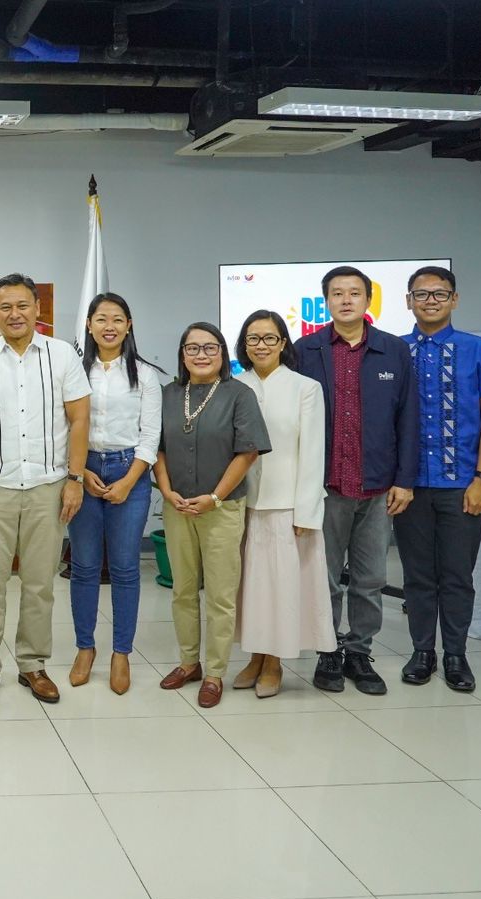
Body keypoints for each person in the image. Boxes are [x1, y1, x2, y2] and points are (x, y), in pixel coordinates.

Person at [0, 273, 90, 705]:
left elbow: (79, 420)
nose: (15, 314)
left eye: (23, 306)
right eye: (5, 307)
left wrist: (75, 479)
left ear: (37, 310)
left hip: (49, 488)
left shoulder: (63, 356)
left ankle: (33, 664)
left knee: (39, 583)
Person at [293, 266, 419, 696]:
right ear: (325, 301)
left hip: (377, 485)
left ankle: (359, 652)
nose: (346, 300)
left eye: (355, 293)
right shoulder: (306, 349)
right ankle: (327, 652)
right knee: (324, 576)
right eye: (336, 294)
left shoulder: (394, 350)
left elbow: (408, 418)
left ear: (368, 300)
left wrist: (404, 480)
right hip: (324, 485)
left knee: (369, 579)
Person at [394, 267, 481, 691]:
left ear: (454, 300)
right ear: (408, 300)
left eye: (439, 294)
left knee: (458, 575)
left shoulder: (479, 350)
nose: (430, 301)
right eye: (421, 294)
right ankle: (422, 652)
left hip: (463, 484)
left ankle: (456, 655)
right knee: (417, 575)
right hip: (407, 486)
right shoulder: (393, 350)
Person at [154, 322, 270, 708]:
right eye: (192, 348)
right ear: (182, 354)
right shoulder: (169, 394)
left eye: (210, 347)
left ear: (222, 353)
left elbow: (248, 451)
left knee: (220, 594)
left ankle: (216, 672)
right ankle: (189, 663)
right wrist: (167, 491)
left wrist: (215, 498)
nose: (201, 354)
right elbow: (157, 449)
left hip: (221, 508)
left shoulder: (239, 394)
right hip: (177, 507)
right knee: (183, 590)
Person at [230, 311, 333, 699]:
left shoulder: (305, 388)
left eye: (269, 338)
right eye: (253, 338)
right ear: (244, 345)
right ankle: (255, 656)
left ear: (283, 344)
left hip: (288, 505)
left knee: (282, 589)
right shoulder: (234, 386)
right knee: (249, 589)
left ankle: (274, 662)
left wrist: (307, 510)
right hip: (242, 503)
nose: (261, 345)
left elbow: (312, 452)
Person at [67, 292, 163, 695]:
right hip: (82, 469)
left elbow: (151, 434)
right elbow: (64, 425)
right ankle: (85, 648)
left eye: (117, 319)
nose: (109, 326)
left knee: (125, 568)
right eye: (101, 318)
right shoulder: (72, 371)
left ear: (129, 325)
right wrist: (80, 471)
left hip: (131, 471)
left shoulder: (146, 374)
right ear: (88, 325)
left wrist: (129, 480)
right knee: (85, 566)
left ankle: (121, 652)